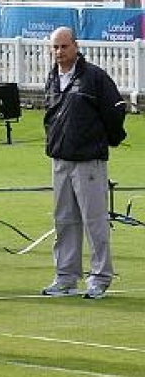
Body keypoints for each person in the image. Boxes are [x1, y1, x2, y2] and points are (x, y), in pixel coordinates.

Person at [42, 26, 127, 299]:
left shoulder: (94, 77)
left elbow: (115, 112)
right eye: (55, 47)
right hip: (60, 159)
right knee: (64, 220)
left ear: (76, 46)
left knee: (95, 221)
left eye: (64, 46)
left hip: (89, 160)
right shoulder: (53, 77)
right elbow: (50, 115)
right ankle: (66, 277)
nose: (59, 52)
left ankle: (100, 278)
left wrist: (103, 142)